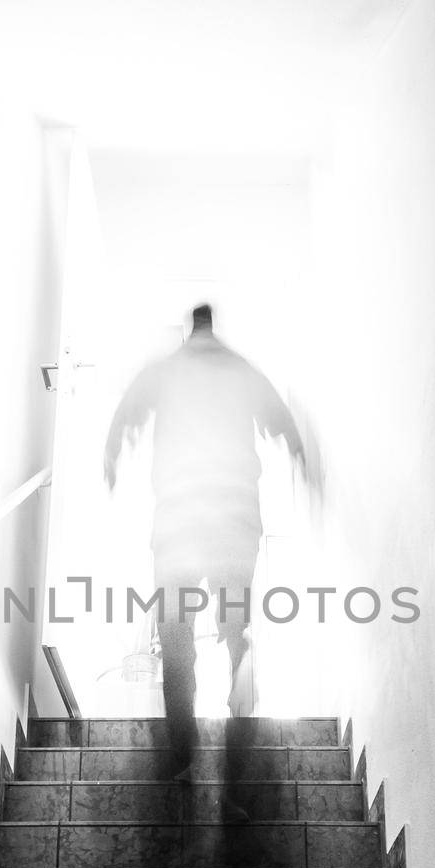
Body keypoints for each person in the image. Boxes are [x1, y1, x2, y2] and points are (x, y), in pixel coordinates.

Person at [104, 303, 307, 794]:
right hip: (235, 527)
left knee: (175, 642)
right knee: (234, 629)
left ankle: (183, 756)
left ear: (185, 331)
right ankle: (240, 684)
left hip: (177, 528)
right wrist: (305, 467)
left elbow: (124, 421)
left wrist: (113, 457)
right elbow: (285, 428)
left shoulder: (165, 370)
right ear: (214, 329)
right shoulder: (240, 370)